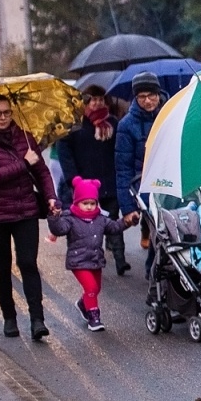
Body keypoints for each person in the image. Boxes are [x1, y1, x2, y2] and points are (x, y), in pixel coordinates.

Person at [0, 93, 59, 340]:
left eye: (7, 112)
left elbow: (41, 170)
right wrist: (23, 162)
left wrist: (51, 197)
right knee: (2, 265)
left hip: (25, 209)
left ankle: (37, 320)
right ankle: (9, 317)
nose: (3, 117)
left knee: (28, 263)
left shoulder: (25, 137)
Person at [46, 177, 139, 332]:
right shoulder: (70, 218)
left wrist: (127, 222)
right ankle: (94, 317)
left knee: (96, 289)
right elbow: (59, 229)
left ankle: (83, 304)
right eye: (85, 203)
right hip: (78, 261)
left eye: (92, 203)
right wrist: (54, 217)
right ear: (77, 203)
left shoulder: (100, 219)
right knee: (90, 287)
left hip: (95, 259)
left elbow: (114, 228)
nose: (89, 207)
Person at [57, 84, 129, 276]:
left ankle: (120, 261)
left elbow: (120, 151)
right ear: (85, 102)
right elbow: (65, 154)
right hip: (85, 187)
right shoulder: (75, 125)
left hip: (110, 182)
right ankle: (89, 260)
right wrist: (74, 179)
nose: (97, 103)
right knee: (87, 226)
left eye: (100, 99)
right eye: (93, 99)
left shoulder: (113, 123)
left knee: (113, 220)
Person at [115, 72, 165, 279]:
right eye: (142, 96)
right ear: (135, 98)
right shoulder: (126, 125)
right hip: (143, 186)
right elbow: (123, 167)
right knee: (158, 231)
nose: (148, 100)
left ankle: (163, 268)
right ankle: (153, 271)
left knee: (172, 229)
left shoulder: (168, 115)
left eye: (151, 95)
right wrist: (128, 207)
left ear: (158, 94)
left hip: (169, 182)